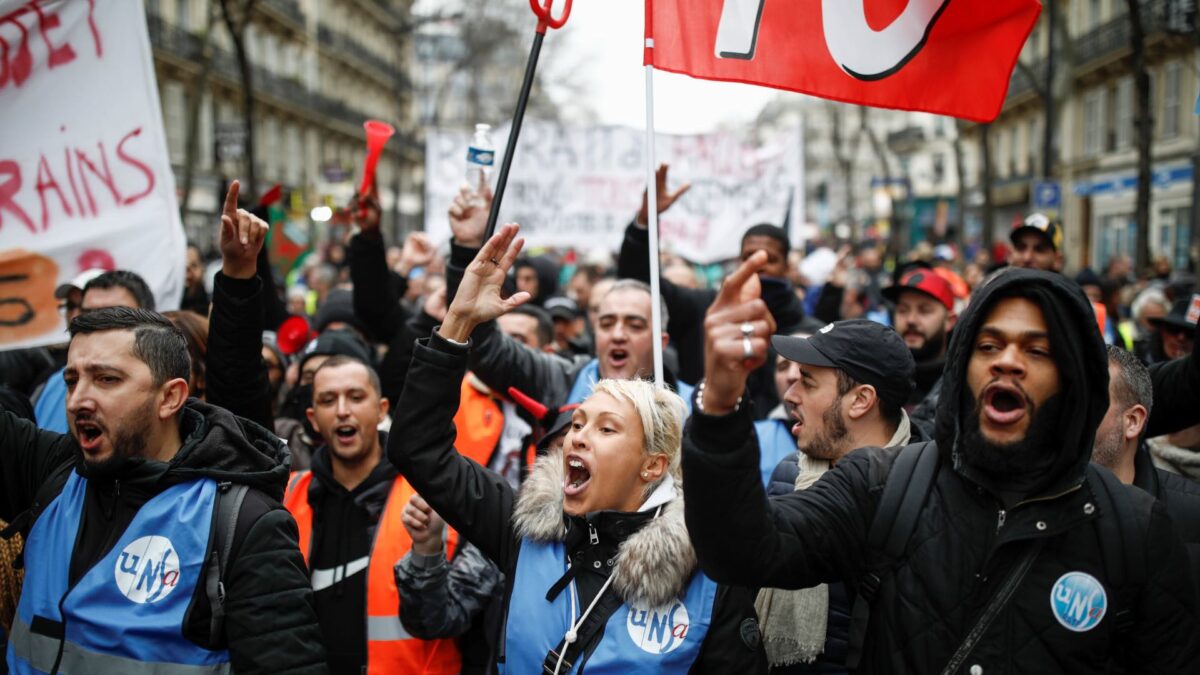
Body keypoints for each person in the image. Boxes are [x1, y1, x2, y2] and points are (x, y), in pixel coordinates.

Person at [683, 259, 1199, 672]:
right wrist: (720, 405)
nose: (1007, 361)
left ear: (1074, 382)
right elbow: (746, 550)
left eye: (1037, 350)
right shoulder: (886, 484)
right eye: (989, 345)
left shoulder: (1134, 529)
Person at [389, 223, 768, 673]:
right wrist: (457, 323)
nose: (579, 436)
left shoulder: (709, 576)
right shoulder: (523, 526)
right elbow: (418, 447)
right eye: (578, 423)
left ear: (652, 465)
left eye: (607, 430)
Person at [2, 307, 326, 673]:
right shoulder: (56, 473)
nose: (78, 400)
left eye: (106, 379)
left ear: (170, 398)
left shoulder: (242, 521)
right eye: (72, 380)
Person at [757, 321, 921, 673]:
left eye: (809, 381)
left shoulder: (923, 492)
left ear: (861, 400)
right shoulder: (791, 472)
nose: (790, 394)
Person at [283, 355, 461, 674]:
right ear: (312, 418)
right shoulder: (288, 496)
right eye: (328, 400)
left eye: (355, 397)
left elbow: (456, 614)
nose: (342, 411)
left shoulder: (428, 496)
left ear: (381, 410)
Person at [1092, 345, 1200, 585]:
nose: (1072, 414)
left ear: (1132, 421)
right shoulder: (1032, 507)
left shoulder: (1191, 518)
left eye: (1092, 401)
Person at [34, 269, 156, 434]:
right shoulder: (51, 385)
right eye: (88, 314)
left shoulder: (161, 384)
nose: (95, 324)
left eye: (113, 314)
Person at [882, 269, 958, 436]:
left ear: (949, 321)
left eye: (924, 311)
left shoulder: (961, 384)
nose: (911, 320)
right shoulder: (876, 376)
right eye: (903, 310)